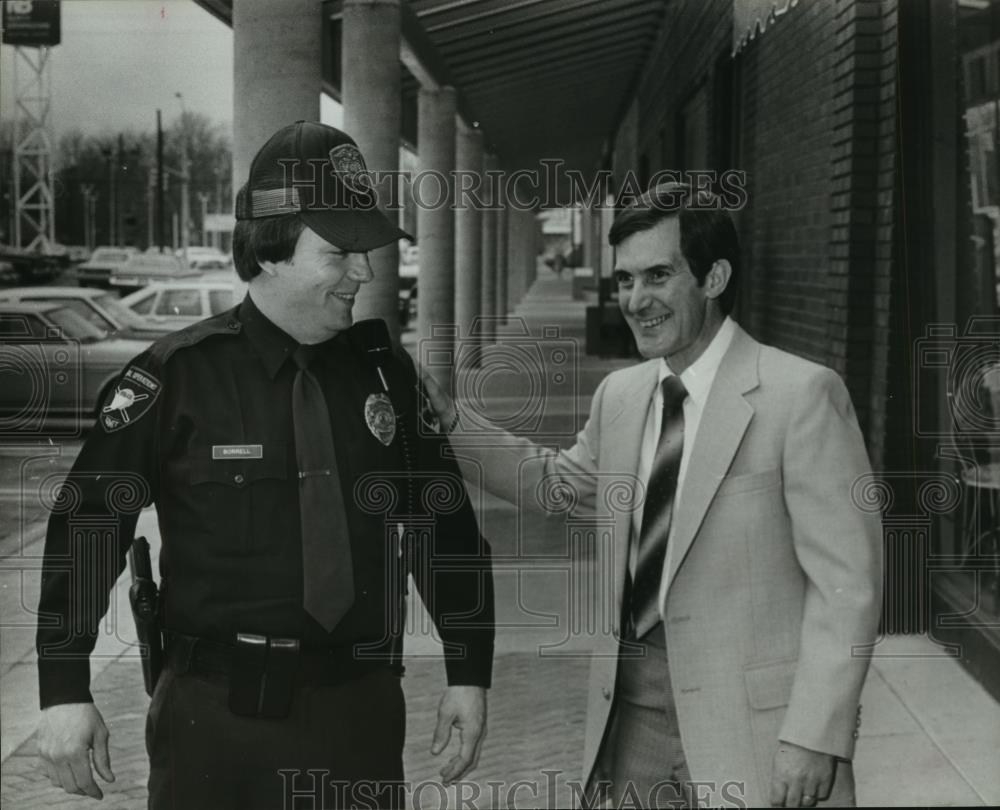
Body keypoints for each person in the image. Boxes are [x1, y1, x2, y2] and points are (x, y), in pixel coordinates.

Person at [35, 121, 495, 810]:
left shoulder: (385, 379)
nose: (363, 273)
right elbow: (87, 528)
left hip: (359, 721)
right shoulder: (175, 379)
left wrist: (468, 669)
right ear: (273, 251)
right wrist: (65, 687)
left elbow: (445, 529)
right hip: (215, 729)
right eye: (340, 253)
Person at [423, 183, 882, 808]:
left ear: (714, 277)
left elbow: (847, 586)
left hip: (758, 733)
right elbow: (556, 486)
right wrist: (452, 419)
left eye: (659, 276)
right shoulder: (622, 396)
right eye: (625, 281)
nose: (637, 301)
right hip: (632, 718)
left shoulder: (800, 396)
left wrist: (815, 734)